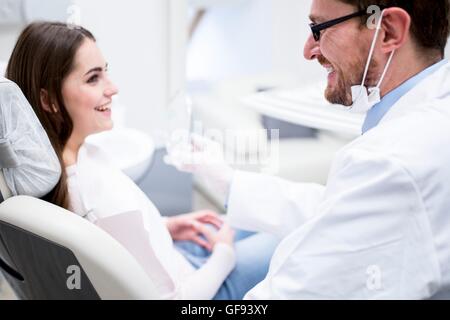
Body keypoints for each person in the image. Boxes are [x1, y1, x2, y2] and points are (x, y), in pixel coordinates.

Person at [167, 0, 450, 299]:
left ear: (388, 31)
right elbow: (341, 207)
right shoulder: (425, 123)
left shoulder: (388, 161)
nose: (308, 50)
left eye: (319, 29)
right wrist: (228, 180)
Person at [6, 22, 278, 300]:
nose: (113, 88)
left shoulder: (63, 164)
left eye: (105, 72)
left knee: (264, 216)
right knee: (288, 239)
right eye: (93, 78)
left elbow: (117, 243)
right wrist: (225, 254)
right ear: (49, 99)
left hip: (176, 257)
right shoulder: (100, 198)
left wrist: (165, 226)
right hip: (205, 287)